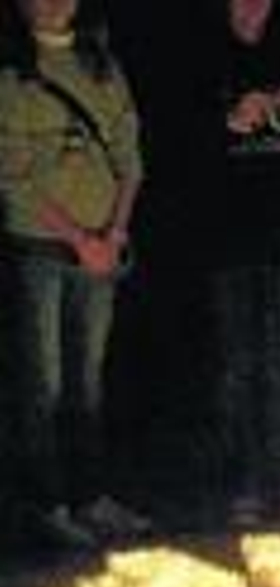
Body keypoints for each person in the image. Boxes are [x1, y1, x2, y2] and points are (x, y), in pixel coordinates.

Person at [0, 0, 152, 550]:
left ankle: (91, 497)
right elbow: (13, 176)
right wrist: (79, 238)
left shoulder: (101, 64)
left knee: (86, 382)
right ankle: (47, 504)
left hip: (101, 249)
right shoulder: (11, 72)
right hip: (41, 250)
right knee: (43, 384)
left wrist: (113, 234)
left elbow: (129, 153)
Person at [203, 0, 280, 527]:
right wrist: (229, 119)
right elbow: (174, 146)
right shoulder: (205, 57)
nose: (254, 7)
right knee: (237, 369)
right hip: (228, 239)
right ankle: (243, 488)